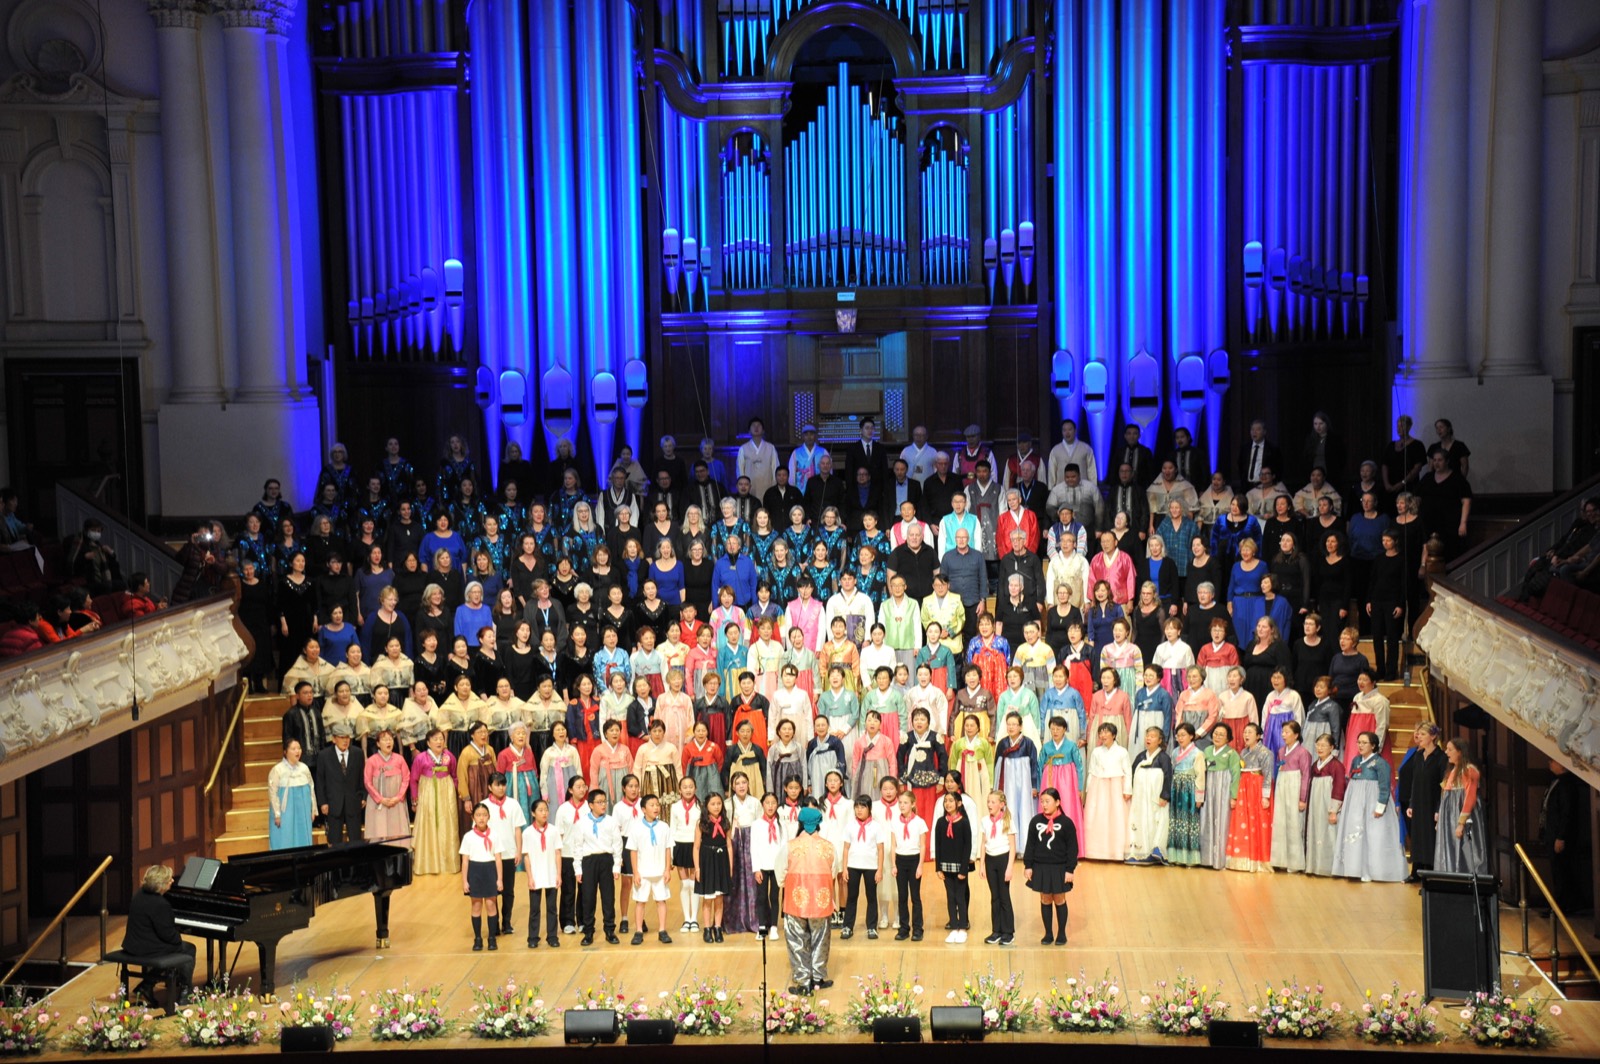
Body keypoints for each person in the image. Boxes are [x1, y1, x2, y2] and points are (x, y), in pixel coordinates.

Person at [1331, 731, 1408, 883]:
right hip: (1355, 801)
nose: (1360, 745)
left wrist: (1380, 807)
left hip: (1372, 799)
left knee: (1374, 835)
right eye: (1358, 742)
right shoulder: (1356, 760)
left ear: (1373, 745)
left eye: (1364, 742)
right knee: (1355, 833)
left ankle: (1375, 871)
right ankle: (1355, 869)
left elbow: (1385, 786)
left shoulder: (1380, 763)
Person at [121, 864, 195, 1005]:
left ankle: (147, 985)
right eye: (169, 880)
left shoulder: (139, 894)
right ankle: (186, 992)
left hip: (132, 945)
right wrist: (179, 937)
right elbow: (168, 935)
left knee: (171, 948)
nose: (173, 881)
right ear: (161, 885)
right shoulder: (160, 904)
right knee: (188, 949)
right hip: (146, 948)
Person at [782, 805, 837, 993]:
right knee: (821, 938)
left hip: (795, 897)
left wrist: (788, 886)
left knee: (797, 939)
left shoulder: (790, 845)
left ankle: (803, 981)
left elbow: (779, 871)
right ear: (819, 823)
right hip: (821, 899)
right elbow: (834, 871)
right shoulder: (828, 847)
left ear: (801, 823)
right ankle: (818, 978)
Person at [1023, 787, 1079, 946]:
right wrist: (1028, 865)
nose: (1044, 805)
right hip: (1041, 866)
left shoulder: (1067, 823)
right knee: (1045, 898)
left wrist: (1070, 869)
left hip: (1059, 867)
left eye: (1047, 801)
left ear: (1058, 802)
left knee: (1059, 898)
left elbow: (1072, 849)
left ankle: (1061, 933)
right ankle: (1048, 933)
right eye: (1042, 802)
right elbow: (1030, 845)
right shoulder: (1035, 821)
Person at [571, 788, 624, 946]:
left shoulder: (610, 821)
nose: (603, 805)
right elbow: (577, 847)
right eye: (599, 802)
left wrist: (616, 866)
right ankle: (588, 931)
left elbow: (617, 844)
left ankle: (609, 930)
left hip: (606, 860)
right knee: (588, 898)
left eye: (604, 802)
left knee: (608, 897)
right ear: (590, 805)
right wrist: (578, 869)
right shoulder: (581, 823)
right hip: (589, 861)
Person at [481, 772, 527, 935]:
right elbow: (479, 830)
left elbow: (517, 829)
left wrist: (519, 851)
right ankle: (494, 923)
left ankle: (506, 923)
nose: (501, 788)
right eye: (497, 785)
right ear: (490, 787)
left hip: (508, 854)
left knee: (508, 891)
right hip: (490, 856)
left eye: (503, 784)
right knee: (492, 892)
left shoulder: (513, 804)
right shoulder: (483, 805)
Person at [1435, 737, 1488, 874]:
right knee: (1450, 848)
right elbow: (1445, 797)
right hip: (1449, 818)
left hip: (1461, 817)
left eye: (1450, 749)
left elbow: (1470, 797)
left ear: (1460, 752)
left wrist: (1461, 823)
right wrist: (1440, 818)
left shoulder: (1469, 770)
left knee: (1465, 849)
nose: (1446, 752)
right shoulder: (1451, 771)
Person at [1227, 722, 1274, 873]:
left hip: (1257, 788)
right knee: (1244, 822)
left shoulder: (1265, 752)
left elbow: (1267, 776)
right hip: (1244, 789)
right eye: (1245, 732)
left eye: (1250, 732)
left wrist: (1265, 796)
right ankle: (1243, 858)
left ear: (1259, 736)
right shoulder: (1243, 753)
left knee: (1258, 822)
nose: (1246, 735)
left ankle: (1259, 860)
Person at [1270, 721, 1313, 873]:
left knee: (1294, 823)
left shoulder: (1303, 753)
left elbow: (1306, 775)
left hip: (1295, 786)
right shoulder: (1281, 751)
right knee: (1280, 821)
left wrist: (1303, 798)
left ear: (1296, 735)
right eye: (1283, 732)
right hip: (1283, 784)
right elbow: (1279, 769)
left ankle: (1295, 863)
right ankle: (1279, 859)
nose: (1283, 735)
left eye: (1287, 732)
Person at [315, 722, 366, 845]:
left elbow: (362, 777)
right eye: (342, 737)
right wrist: (323, 802)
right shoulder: (324, 756)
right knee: (334, 840)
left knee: (356, 840)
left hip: (353, 802)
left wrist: (363, 796)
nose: (345, 740)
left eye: (347, 737)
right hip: (333, 804)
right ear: (334, 739)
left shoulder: (358, 753)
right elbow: (320, 781)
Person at [1304, 733, 1347, 876]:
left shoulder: (1337, 766)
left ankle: (1331, 868)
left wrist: (1334, 810)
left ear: (1332, 747)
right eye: (1318, 745)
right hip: (1315, 804)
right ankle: (1315, 866)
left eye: (1324, 745)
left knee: (1330, 832)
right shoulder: (1315, 765)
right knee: (1315, 830)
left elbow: (1339, 787)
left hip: (1328, 803)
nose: (1320, 748)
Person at [693, 792, 734, 942]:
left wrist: (730, 867)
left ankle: (718, 928)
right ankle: (707, 928)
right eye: (713, 804)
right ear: (706, 806)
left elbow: (729, 845)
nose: (716, 807)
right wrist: (697, 868)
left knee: (719, 897)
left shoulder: (726, 822)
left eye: (719, 803)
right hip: (707, 861)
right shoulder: (701, 823)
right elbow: (696, 847)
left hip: (722, 860)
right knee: (708, 898)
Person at [932, 792, 973, 942]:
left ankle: (962, 927)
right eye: (945, 801)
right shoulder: (941, 822)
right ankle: (954, 927)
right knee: (950, 897)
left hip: (960, 867)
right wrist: (938, 868)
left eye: (951, 801)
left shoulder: (964, 822)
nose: (947, 804)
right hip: (945, 865)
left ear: (959, 803)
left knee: (960, 897)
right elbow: (938, 845)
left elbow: (967, 846)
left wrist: (964, 869)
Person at [522, 799, 563, 948]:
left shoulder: (553, 830)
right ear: (533, 813)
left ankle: (552, 936)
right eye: (540, 810)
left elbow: (558, 853)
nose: (544, 813)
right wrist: (530, 877)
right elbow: (526, 856)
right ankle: (533, 937)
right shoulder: (527, 833)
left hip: (551, 873)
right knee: (534, 909)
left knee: (552, 907)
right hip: (536, 875)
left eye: (546, 809)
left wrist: (558, 875)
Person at [889, 789, 927, 941]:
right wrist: (893, 864)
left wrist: (920, 866)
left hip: (914, 860)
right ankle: (904, 928)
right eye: (900, 803)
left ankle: (918, 928)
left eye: (905, 803)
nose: (902, 805)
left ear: (913, 804)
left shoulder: (919, 822)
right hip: (900, 860)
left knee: (915, 896)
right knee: (902, 896)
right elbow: (893, 845)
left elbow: (923, 846)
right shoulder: (894, 821)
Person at [363, 729, 412, 843]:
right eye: (384, 740)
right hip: (378, 803)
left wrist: (398, 797)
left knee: (397, 834)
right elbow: (367, 782)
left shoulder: (399, 759)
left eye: (390, 739)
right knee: (379, 832)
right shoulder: (372, 761)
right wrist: (381, 799)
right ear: (378, 743)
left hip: (396, 803)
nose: (388, 742)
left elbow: (406, 778)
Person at [267, 739, 316, 849]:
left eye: (299, 748)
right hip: (285, 811)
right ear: (285, 751)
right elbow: (273, 793)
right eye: (293, 749)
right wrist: (277, 814)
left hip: (302, 809)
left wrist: (313, 809)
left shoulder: (304, 768)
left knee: (302, 836)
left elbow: (311, 789)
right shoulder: (277, 770)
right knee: (285, 837)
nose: (297, 751)